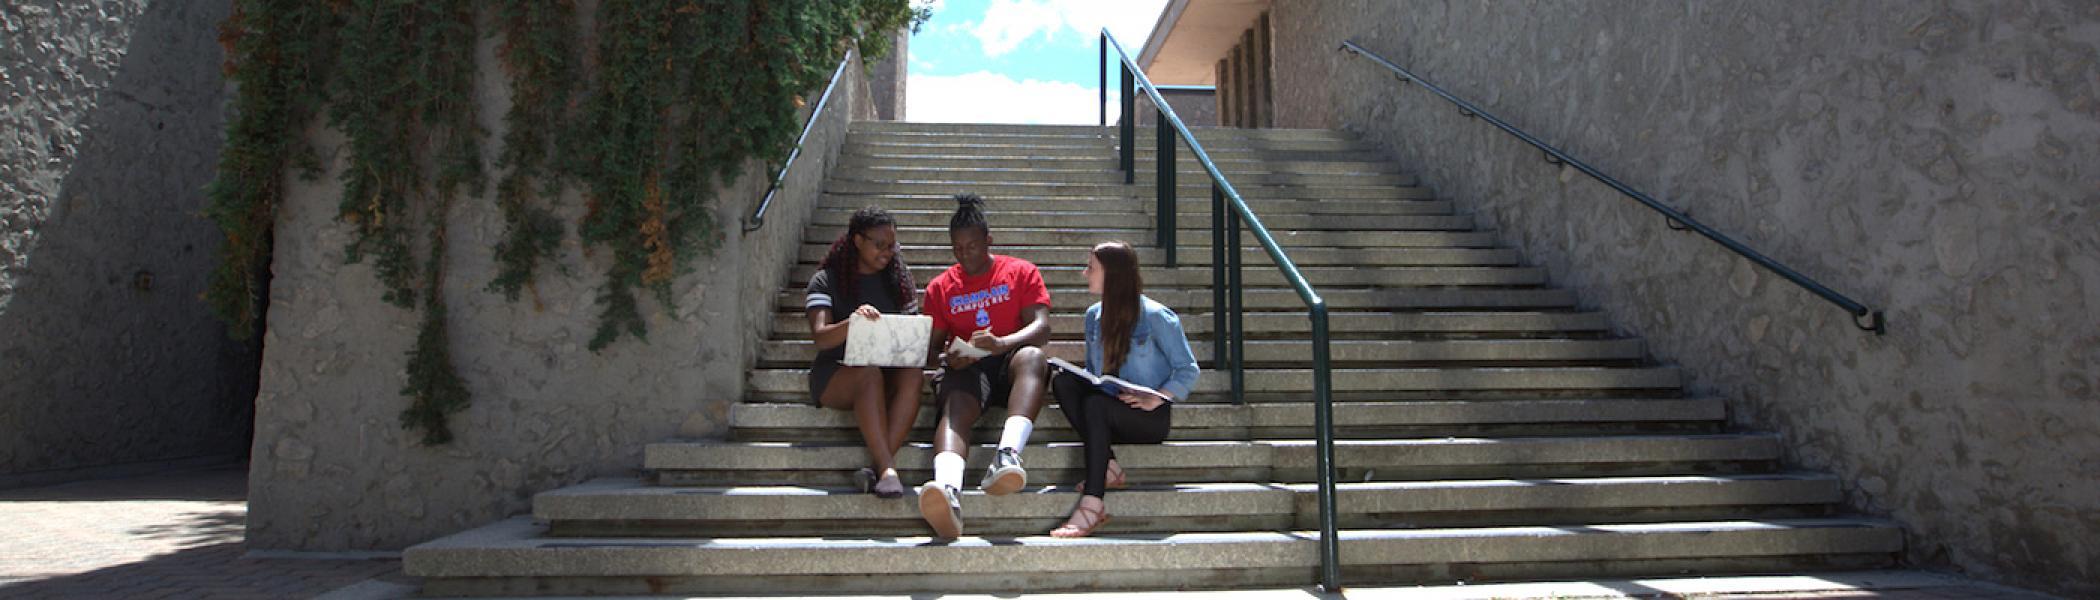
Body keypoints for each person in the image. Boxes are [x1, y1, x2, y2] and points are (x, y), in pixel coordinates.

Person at [916, 194, 1053, 539]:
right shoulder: (940, 287)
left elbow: (1041, 326)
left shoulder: (1020, 272)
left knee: (1035, 358)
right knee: (955, 404)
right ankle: (948, 491)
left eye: (972, 247)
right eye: (957, 249)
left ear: (988, 241)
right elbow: (930, 350)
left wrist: (1002, 343)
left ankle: (1006, 456)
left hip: (1010, 361)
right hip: (969, 368)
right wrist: (949, 358)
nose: (965, 255)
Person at [1048, 241, 1198, 538]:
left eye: (1091, 268)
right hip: (1108, 408)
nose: (1084, 274)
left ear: (1112, 275)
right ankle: (1109, 467)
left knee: (1095, 405)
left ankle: (1093, 503)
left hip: (1147, 418)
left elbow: (1188, 369)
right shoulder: (1093, 315)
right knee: (1063, 381)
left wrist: (1158, 397)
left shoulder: (1156, 316)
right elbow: (1095, 373)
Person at [805, 206, 922, 498]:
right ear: (858, 241)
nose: (887, 252)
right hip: (837, 373)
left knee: (913, 374)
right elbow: (820, 338)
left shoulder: (899, 279)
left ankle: (876, 469)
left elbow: (911, 333)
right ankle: (887, 469)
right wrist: (853, 323)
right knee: (867, 374)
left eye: (892, 245)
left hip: (886, 367)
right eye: (879, 245)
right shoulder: (826, 280)